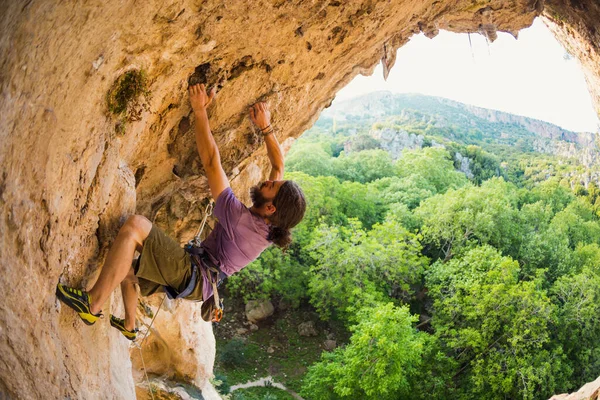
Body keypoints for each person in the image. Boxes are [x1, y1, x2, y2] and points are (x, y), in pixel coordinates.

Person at [56, 84, 306, 340]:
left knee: (135, 227)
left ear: (271, 207)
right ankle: (130, 325)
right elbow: (278, 164)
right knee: (127, 265)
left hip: (195, 275)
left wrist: (199, 111)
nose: (269, 181)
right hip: (201, 281)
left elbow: (211, 162)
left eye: (272, 186)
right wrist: (265, 127)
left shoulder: (240, 220)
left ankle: (92, 305)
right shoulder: (270, 223)